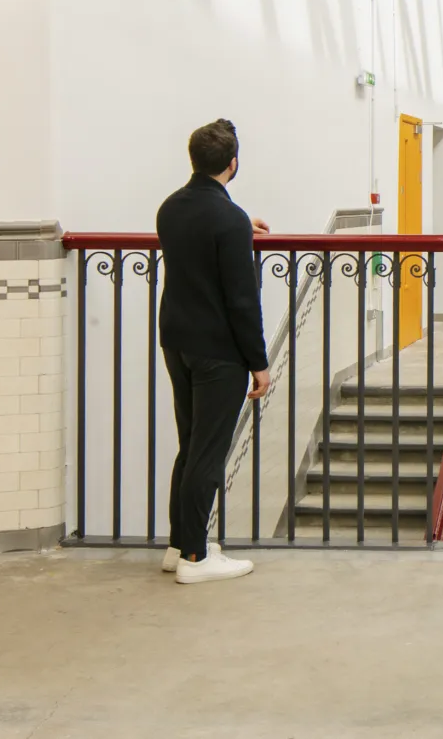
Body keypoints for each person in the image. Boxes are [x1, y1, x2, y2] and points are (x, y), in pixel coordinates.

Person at [155, 118, 270, 584]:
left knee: (191, 446)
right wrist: (259, 364)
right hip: (218, 352)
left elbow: (203, 245)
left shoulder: (170, 208)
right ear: (233, 163)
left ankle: (181, 543)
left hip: (176, 340)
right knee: (208, 453)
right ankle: (197, 560)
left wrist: (244, 227)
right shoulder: (229, 218)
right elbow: (242, 300)